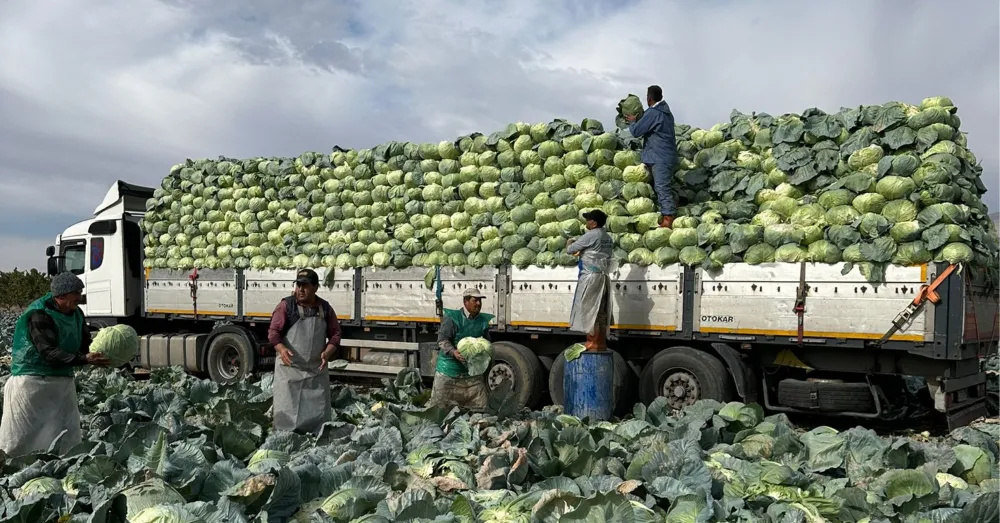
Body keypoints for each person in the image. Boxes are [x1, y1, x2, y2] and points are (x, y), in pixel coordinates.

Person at [0, 272, 109, 457]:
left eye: (80, 292)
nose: (79, 297)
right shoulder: (39, 314)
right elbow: (47, 351)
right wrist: (83, 359)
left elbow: (84, 344)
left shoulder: (76, 314)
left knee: (66, 433)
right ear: (61, 295)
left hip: (62, 382)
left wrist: (97, 354)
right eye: (76, 293)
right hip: (32, 381)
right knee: (22, 435)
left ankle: (63, 468)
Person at [268, 269, 341, 435]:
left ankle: (316, 440)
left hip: (316, 371)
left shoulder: (325, 308)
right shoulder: (286, 306)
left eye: (305, 286)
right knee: (287, 414)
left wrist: (328, 352)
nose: (300, 289)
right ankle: (285, 439)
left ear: (315, 287)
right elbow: (273, 332)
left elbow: (336, 334)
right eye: (298, 285)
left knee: (317, 415)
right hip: (290, 372)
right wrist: (281, 348)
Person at [428, 288, 494, 411]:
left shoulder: (482, 321)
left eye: (480, 301)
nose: (478, 304)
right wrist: (454, 352)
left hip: (472, 376)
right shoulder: (453, 318)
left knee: (479, 411)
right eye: (475, 300)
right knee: (439, 411)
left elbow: (487, 342)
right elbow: (442, 340)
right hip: (449, 373)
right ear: (465, 302)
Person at [626, 84, 678, 229]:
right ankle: (673, 207)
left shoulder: (653, 113)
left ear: (649, 99)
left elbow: (636, 131)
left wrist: (632, 121)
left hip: (660, 157)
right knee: (664, 186)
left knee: (662, 188)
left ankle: (668, 218)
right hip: (666, 155)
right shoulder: (667, 112)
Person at [566, 209, 615, 351]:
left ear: (593, 222)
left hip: (590, 278)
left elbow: (571, 250)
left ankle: (592, 341)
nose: (586, 222)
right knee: (600, 311)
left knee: (589, 309)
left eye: (588, 220)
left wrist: (570, 242)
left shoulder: (591, 235)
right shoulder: (607, 237)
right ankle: (600, 343)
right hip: (602, 277)